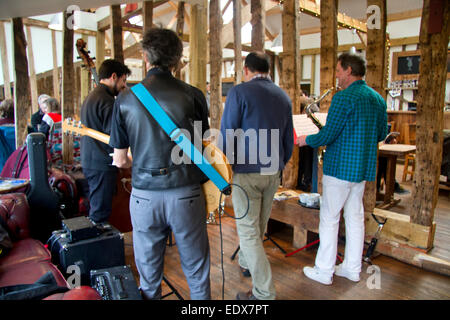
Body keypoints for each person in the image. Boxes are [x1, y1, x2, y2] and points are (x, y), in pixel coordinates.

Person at [110, 28, 211, 300]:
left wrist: (140, 158)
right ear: (177, 60)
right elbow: (202, 146)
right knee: (197, 271)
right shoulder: (194, 95)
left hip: (144, 196)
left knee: (148, 277)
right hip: (185, 192)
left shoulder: (125, 99)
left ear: (145, 57)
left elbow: (120, 160)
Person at [297, 52, 388, 285]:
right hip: (363, 169)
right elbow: (381, 134)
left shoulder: (343, 98)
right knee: (355, 217)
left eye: (338, 70)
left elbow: (329, 134)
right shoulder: (378, 99)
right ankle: (351, 268)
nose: (336, 75)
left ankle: (324, 271)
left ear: (348, 70)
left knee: (329, 218)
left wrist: (306, 139)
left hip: (339, 169)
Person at [220, 52, 294, 300]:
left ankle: (263, 293)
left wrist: (224, 167)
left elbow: (228, 132)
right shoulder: (283, 96)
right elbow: (288, 138)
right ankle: (245, 261)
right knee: (259, 224)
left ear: (246, 69)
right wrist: (281, 162)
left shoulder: (239, 93)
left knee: (249, 230)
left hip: (247, 170)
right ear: (268, 69)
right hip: (273, 170)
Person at [80, 59, 131, 224]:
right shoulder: (106, 101)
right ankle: (98, 247)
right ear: (114, 76)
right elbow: (115, 135)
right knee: (100, 213)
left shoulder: (92, 96)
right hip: (101, 163)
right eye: (123, 80)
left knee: (97, 208)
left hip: (91, 160)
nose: (124, 86)